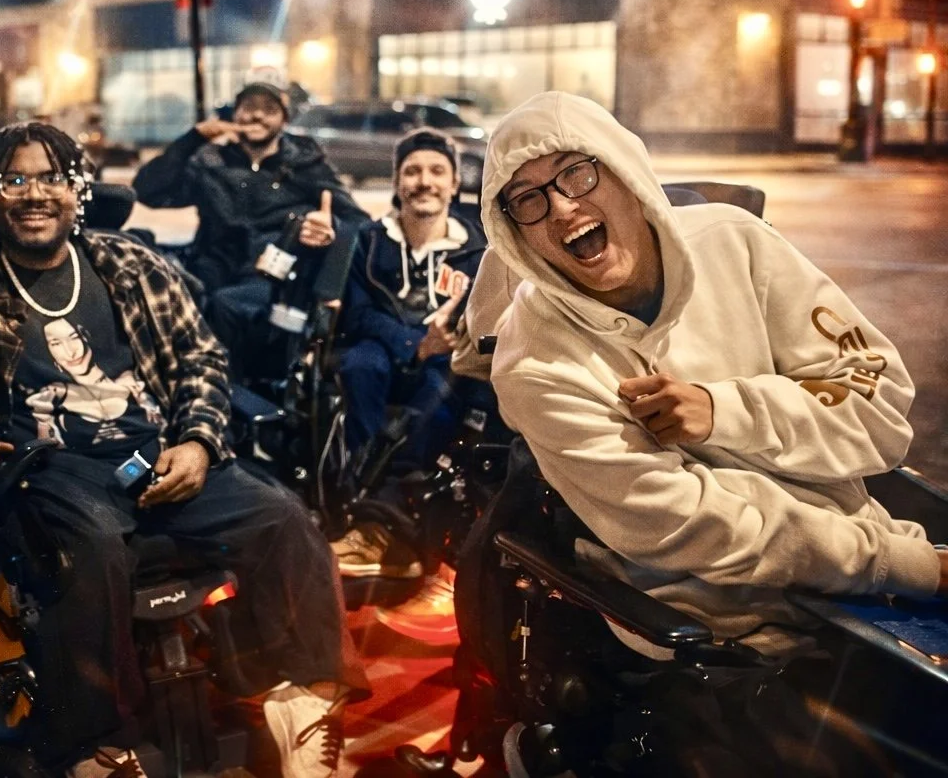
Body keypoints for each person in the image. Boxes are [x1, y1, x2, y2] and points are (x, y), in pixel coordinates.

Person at [479, 91, 947, 767]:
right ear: (516, 235)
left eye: (576, 173)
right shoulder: (537, 365)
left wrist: (723, 409)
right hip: (728, 640)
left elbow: (880, 410)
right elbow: (692, 526)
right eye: (527, 200)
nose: (560, 207)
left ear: (626, 171)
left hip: (873, 594)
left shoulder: (736, 241)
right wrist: (905, 564)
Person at [0, 122, 366, 778]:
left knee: (283, 518)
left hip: (155, 454)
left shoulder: (133, 266)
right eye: (15, 179)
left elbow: (201, 359)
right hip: (45, 470)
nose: (35, 193)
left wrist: (200, 441)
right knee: (85, 545)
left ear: (77, 192)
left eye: (52, 178)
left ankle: (304, 703)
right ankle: (93, 747)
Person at [331, 131, 487, 637]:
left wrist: (444, 341)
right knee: (359, 364)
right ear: (398, 182)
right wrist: (414, 343)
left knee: (443, 392)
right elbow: (357, 314)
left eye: (437, 171)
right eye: (413, 171)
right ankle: (366, 506)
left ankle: (379, 518)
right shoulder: (370, 239)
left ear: (455, 182)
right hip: (385, 348)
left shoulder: (476, 250)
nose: (425, 181)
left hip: (448, 356)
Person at [131, 80, 368, 362]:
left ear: (284, 119)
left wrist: (328, 231)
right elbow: (147, 192)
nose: (257, 116)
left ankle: (222, 393)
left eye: (269, 109)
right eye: (249, 108)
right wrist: (193, 138)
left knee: (224, 306)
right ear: (234, 115)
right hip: (212, 269)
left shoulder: (305, 166)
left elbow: (358, 221)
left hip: (275, 280)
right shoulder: (212, 164)